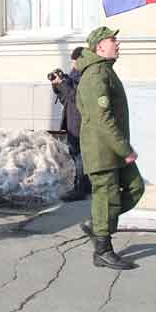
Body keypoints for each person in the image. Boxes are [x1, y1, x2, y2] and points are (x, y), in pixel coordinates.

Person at [76, 27, 143, 270]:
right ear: (99, 47)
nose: (118, 43)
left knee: (135, 187)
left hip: (112, 149)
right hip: (102, 151)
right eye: (112, 40)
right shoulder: (96, 75)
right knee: (106, 195)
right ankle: (103, 249)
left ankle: (97, 223)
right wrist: (125, 150)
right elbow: (102, 120)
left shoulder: (105, 71)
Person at [51, 46, 91, 202]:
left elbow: (77, 99)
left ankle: (80, 189)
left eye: (75, 61)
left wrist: (63, 85)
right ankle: (84, 186)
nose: (73, 64)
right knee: (77, 157)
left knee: (80, 158)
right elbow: (66, 99)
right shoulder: (74, 76)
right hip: (71, 122)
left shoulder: (86, 77)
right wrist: (57, 86)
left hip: (80, 123)